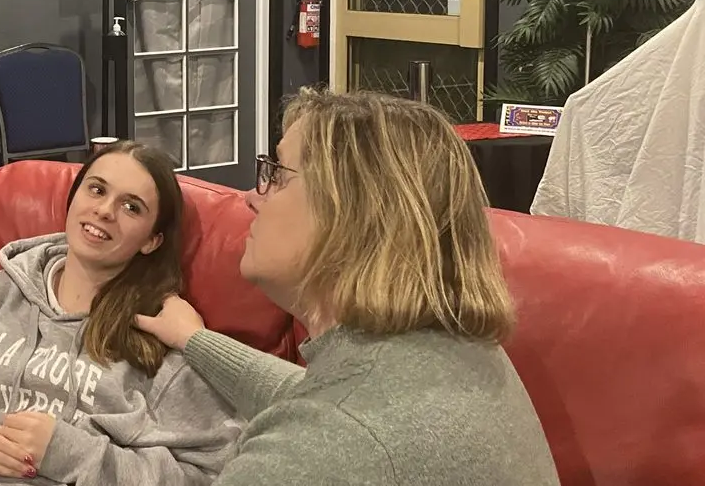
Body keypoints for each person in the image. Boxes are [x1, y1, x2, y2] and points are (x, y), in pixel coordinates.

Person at [135, 89, 561, 486]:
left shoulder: (327, 448)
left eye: (278, 174)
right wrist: (196, 339)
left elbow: (334, 429)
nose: (252, 196)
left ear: (349, 214)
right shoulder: (450, 354)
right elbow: (310, 395)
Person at [0, 141, 242, 486]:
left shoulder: (162, 332)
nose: (105, 210)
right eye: (96, 189)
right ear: (74, 198)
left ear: (151, 241)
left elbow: (208, 473)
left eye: (131, 207)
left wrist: (72, 453)